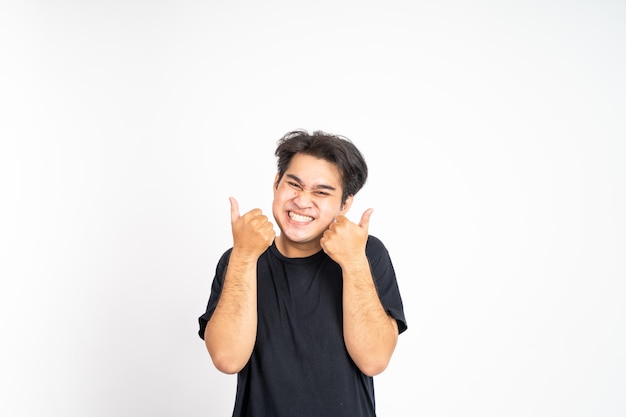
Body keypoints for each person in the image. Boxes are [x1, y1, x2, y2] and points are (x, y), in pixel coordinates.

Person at [198, 129, 407, 417]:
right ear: (276, 184)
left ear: (345, 204)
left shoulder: (367, 254)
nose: (302, 201)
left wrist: (354, 263)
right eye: (293, 185)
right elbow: (227, 359)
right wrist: (244, 255)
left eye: (321, 192)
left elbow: (374, 360)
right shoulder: (241, 257)